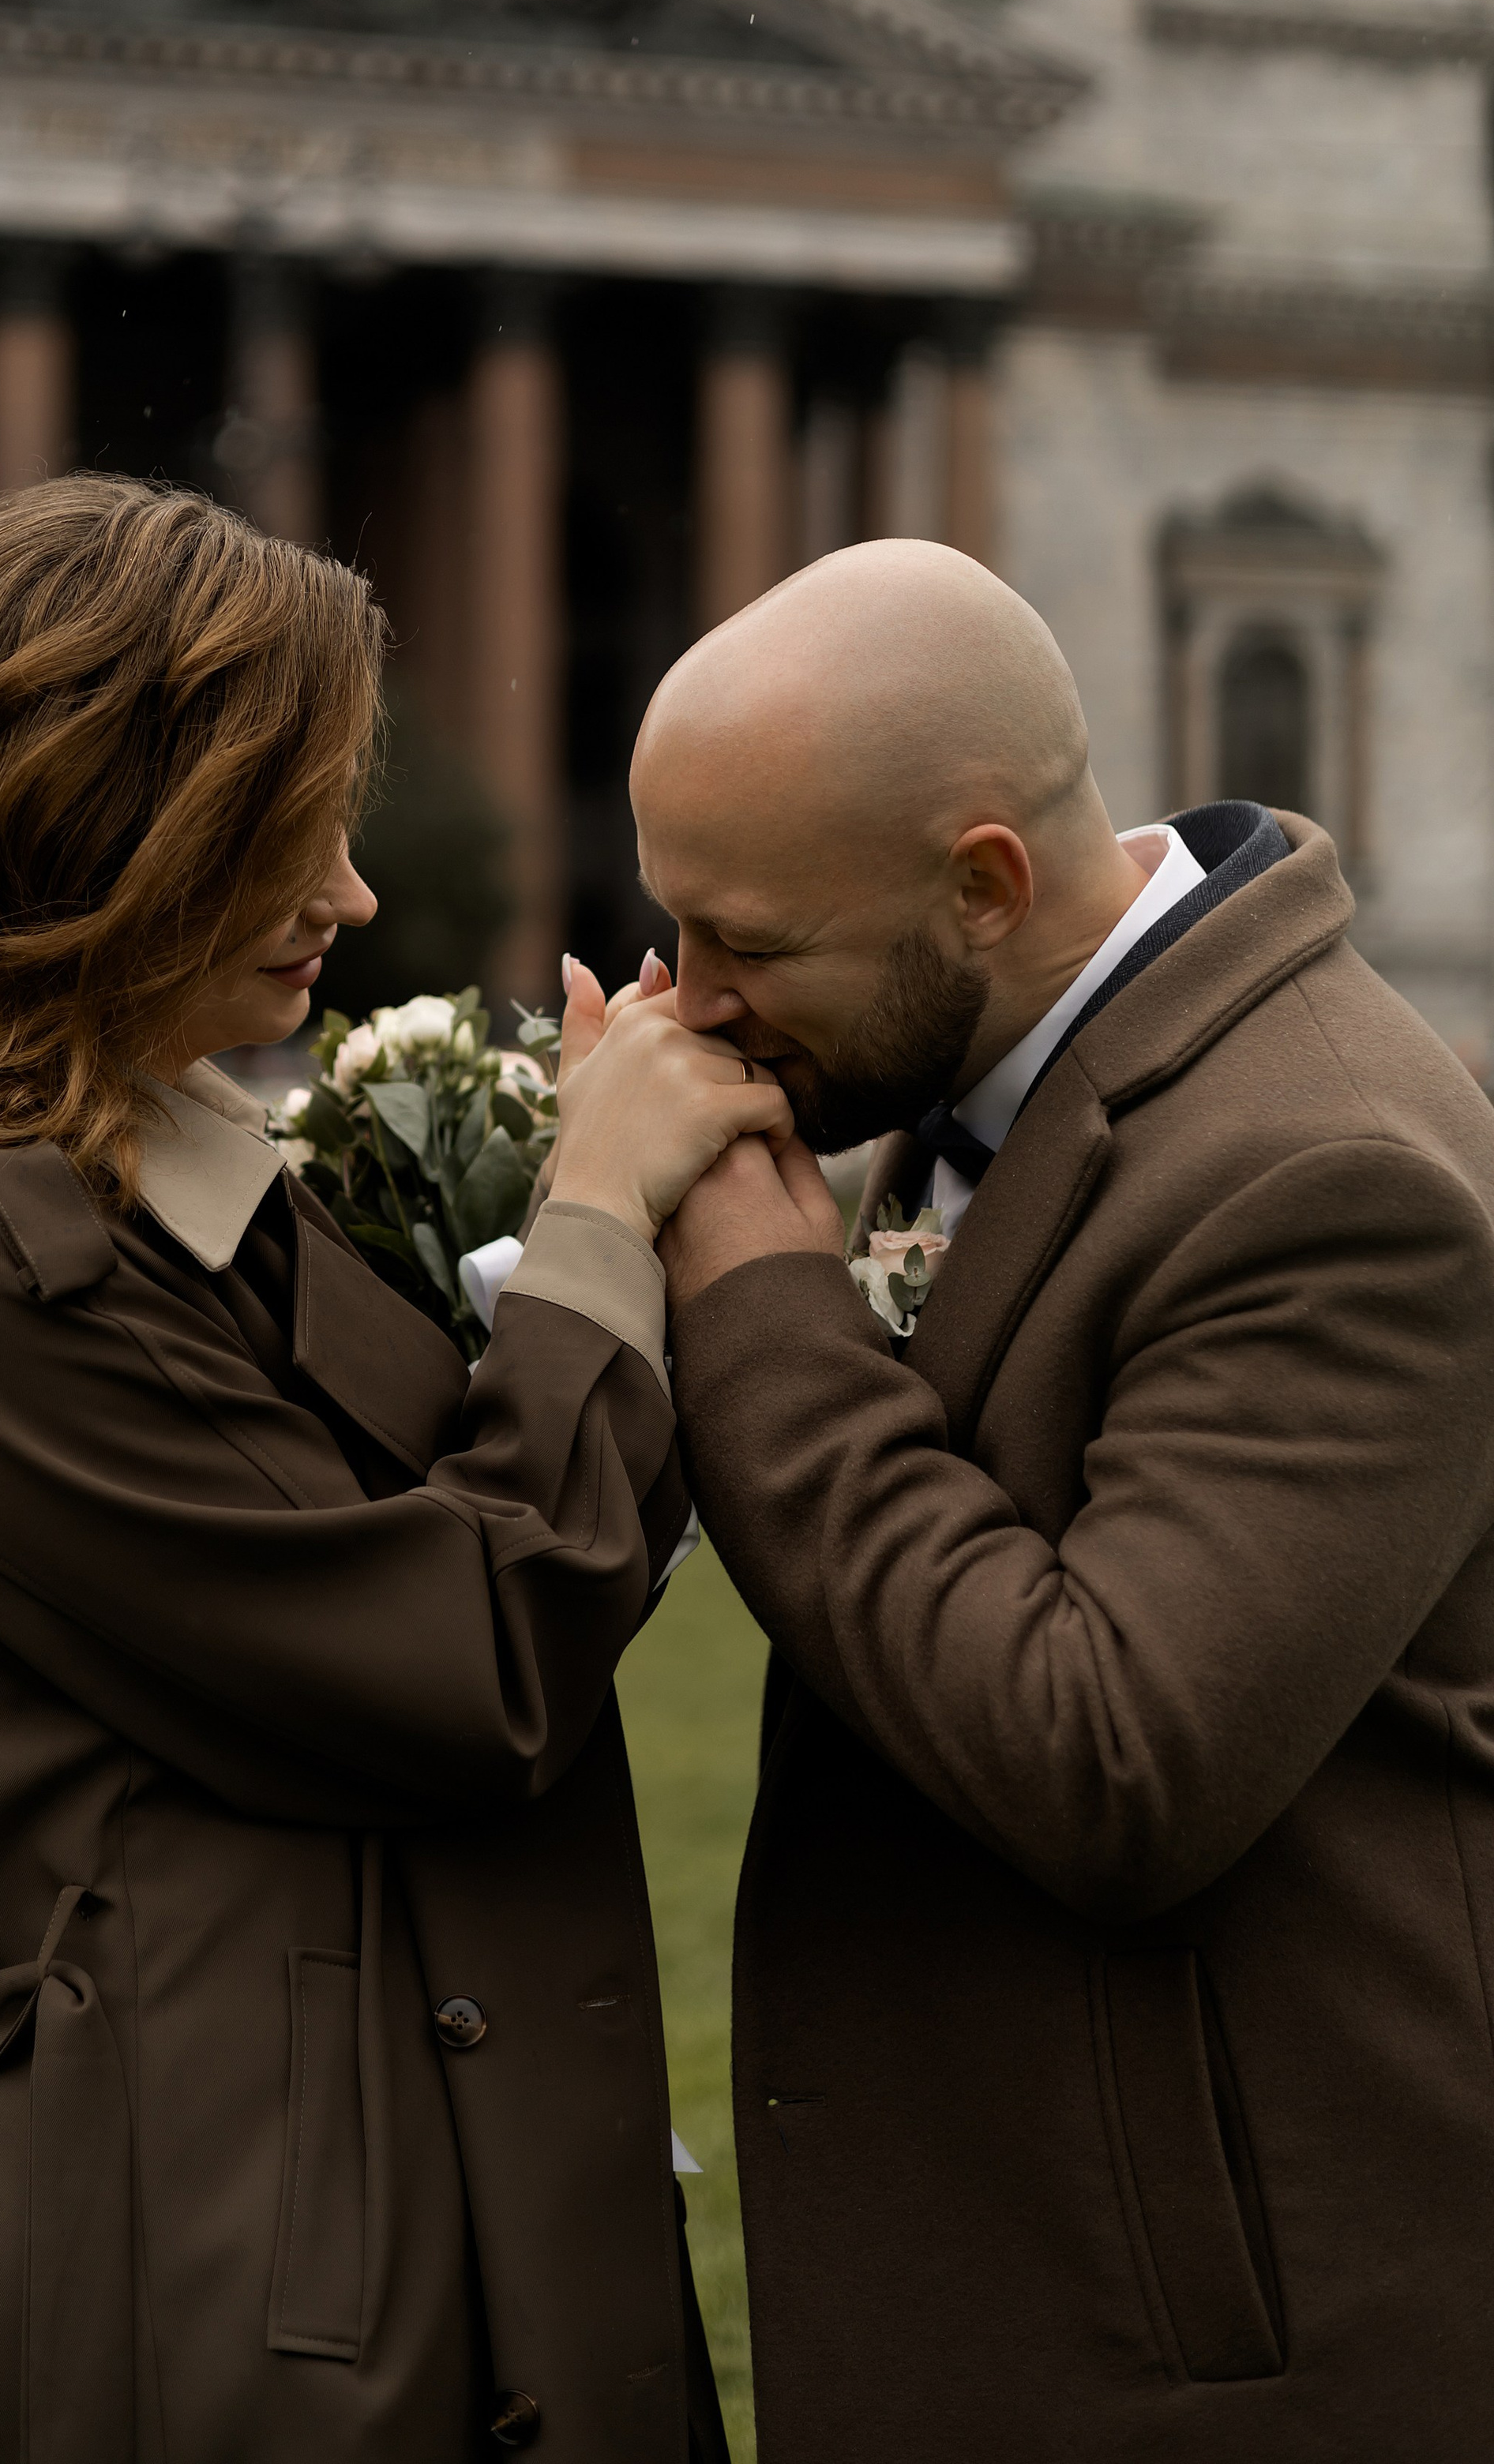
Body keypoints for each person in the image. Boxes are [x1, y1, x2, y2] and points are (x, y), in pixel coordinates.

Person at [0, 477, 783, 2464]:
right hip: (225, 2271)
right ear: (112, 826)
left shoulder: (133, 1174)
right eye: (290, 830)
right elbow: (468, 1666)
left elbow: (495, 1535)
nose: (355, 896)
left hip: (332, 2188)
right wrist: (596, 1217)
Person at [592, 537, 1494, 2464]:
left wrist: (763, 1309)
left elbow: (1111, 1759)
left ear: (981, 885)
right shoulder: (987, 1056)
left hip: (1219, 2356)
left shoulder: (1327, 1173)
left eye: (744, 941)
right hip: (1028, 2278)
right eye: (669, 926)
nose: (692, 1001)